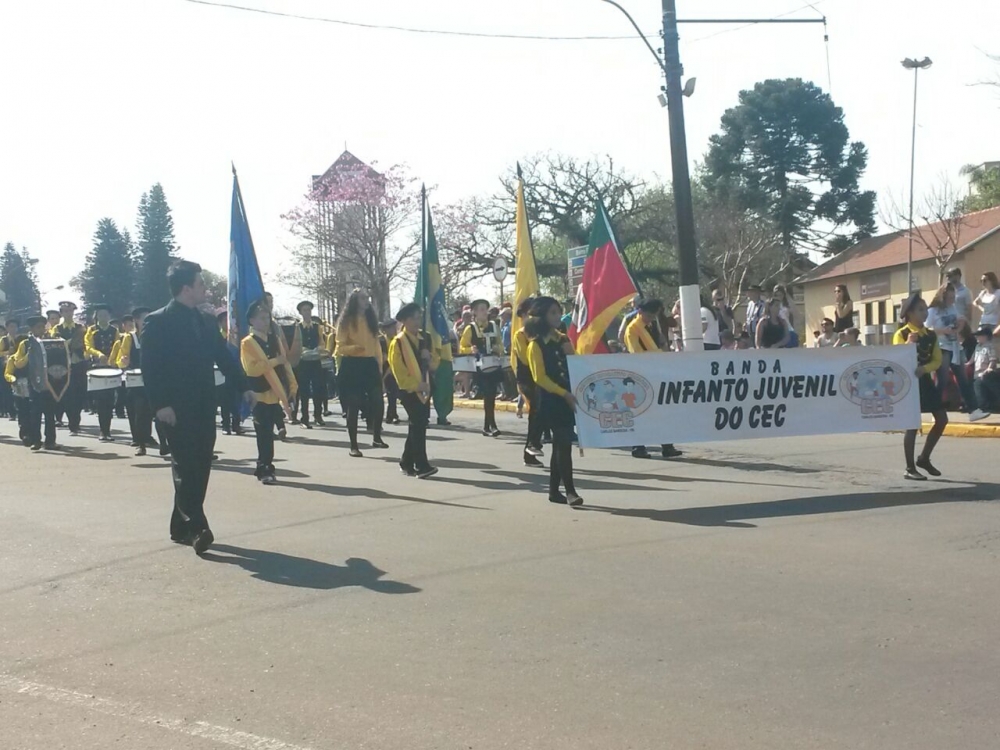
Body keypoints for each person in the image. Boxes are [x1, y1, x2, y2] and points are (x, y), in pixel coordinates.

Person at [141, 260, 252, 555]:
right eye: (200, 283)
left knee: (201, 463)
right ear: (186, 288)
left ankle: (180, 525)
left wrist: (245, 386)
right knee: (185, 464)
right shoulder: (158, 321)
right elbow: (150, 368)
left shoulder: (204, 320)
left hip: (204, 404)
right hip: (174, 408)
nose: (205, 287)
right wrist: (161, 405)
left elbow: (224, 356)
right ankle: (197, 527)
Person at [525, 297, 582, 507]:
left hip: (567, 396)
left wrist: (572, 354)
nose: (557, 317)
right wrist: (563, 393)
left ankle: (553, 491)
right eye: (552, 313)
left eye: (558, 312)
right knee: (564, 444)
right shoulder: (535, 345)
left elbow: (576, 367)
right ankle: (570, 491)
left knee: (561, 444)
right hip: (549, 400)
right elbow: (539, 378)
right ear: (541, 317)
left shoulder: (563, 339)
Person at [241, 300, 297, 485]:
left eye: (267, 318)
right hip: (259, 394)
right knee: (263, 433)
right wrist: (274, 361)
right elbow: (252, 369)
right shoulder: (248, 343)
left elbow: (285, 364)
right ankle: (265, 467)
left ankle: (264, 464)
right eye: (261, 318)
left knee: (269, 432)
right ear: (251, 320)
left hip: (275, 393)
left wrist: (292, 385)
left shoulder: (274, 340)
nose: (266, 322)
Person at [893, 293, 948, 480]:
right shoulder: (901, 334)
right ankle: (909, 467)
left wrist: (924, 369)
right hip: (908, 383)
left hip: (923, 380)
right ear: (909, 313)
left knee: (941, 419)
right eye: (920, 310)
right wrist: (909, 344)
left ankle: (924, 458)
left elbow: (937, 360)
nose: (925, 313)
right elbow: (897, 359)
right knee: (912, 425)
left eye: (925, 309)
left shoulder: (931, 335)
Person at [625, 300, 683, 460]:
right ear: (640, 311)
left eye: (653, 315)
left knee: (661, 412)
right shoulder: (633, 329)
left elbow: (662, 342)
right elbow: (636, 354)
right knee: (642, 412)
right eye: (649, 315)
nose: (651, 318)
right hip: (641, 375)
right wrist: (658, 352)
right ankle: (638, 446)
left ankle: (667, 445)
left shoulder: (652, 325)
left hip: (656, 372)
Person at [388, 302, 440, 479]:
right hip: (409, 390)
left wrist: (430, 357)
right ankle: (421, 465)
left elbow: (435, 363)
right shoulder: (398, 342)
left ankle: (406, 461)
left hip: (426, 387)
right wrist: (414, 385)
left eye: (419, 317)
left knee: (418, 424)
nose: (417, 321)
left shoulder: (425, 338)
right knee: (418, 424)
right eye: (413, 318)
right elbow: (398, 368)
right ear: (404, 321)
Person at [335, 289, 387, 457]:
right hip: (352, 365)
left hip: (369, 364)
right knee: (354, 405)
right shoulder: (346, 321)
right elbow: (339, 347)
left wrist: (379, 366)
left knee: (378, 400)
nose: (366, 300)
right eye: (363, 298)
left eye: (367, 298)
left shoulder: (371, 320)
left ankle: (377, 436)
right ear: (355, 301)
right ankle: (354, 445)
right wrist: (354, 349)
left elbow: (376, 346)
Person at [926, 283, 986, 420]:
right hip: (941, 347)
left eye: (953, 297)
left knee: (963, 378)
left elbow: (961, 318)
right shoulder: (933, 311)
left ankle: (973, 409)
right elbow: (927, 329)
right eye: (949, 297)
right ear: (943, 296)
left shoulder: (952, 308)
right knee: (942, 380)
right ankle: (935, 410)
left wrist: (960, 324)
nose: (952, 300)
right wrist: (943, 331)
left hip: (955, 347)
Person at [116, 307, 166, 457]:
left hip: (155, 379)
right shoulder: (129, 338)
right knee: (140, 413)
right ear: (136, 321)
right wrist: (123, 361)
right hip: (137, 381)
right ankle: (141, 444)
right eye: (144, 318)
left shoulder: (157, 336)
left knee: (160, 412)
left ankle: (164, 443)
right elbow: (120, 360)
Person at [460, 298, 505, 437]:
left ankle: (488, 426)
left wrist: (499, 349)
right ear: (474, 312)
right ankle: (491, 425)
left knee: (491, 394)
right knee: (488, 394)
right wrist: (470, 350)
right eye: (481, 309)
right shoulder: (470, 328)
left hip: (493, 365)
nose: (484, 312)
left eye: (485, 309)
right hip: (480, 366)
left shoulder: (493, 326)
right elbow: (462, 347)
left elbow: (500, 344)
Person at [16, 315, 60, 451]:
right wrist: (29, 355)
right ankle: (36, 441)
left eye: (43, 327)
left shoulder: (50, 341)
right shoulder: (25, 343)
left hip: (50, 383)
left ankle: (50, 441)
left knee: (50, 413)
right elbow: (18, 363)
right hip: (34, 382)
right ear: (32, 329)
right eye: (38, 327)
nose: (41, 330)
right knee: (35, 413)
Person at [511, 297, 544, 468]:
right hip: (526, 380)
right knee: (534, 410)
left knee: (540, 412)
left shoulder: (544, 334)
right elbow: (525, 359)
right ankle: (532, 446)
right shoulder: (520, 335)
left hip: (541, 379)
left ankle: (531, 448)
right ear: (523, 315)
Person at [83, 304, 120, 442]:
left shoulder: (114, 330)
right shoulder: (91, 330)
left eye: (106, 314)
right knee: (99, 399)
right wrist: (99, 355)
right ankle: (102, 430)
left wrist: (111, 359)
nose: (103, 317)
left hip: (110, 367)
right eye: (100, 314)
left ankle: (107, 430)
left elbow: (118, 345)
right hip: (97, 366)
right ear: (96, 316)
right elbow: (88, 346)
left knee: (110, 399)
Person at [52, 301, 87, 435]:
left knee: (80, 394)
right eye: (65, 311)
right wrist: (72, 342)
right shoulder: (57, 329)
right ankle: (73, 425)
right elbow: (57, 344)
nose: (68, 313)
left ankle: (76, 420)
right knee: (67, 394)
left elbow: (84, 344)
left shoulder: (81, 327)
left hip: (79, 363)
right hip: (64, 365)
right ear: (61, 313)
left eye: (70, 311)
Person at [294, 301, 327, 428]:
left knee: (318, 388)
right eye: (305, 310)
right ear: (300, 312)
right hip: (303, 362)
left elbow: (321, 341)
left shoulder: (317, 326)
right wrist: (302, 350)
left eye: (309, 310)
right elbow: (296, 343)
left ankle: (318, 415)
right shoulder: (297, 327)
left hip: (315, 360)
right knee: (304, 390)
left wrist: (319, 349)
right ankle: (305, 418)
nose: (307, 312)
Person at [4, 333, 30, 443]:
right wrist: (13, 380)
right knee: (23, 412)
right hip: (19, 389)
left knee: (33, 412)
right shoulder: (12, 359)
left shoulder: (34, 357)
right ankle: (24, 434)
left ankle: (33, 434)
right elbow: (7, 374)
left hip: (33, 388)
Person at [971, 325, 999, 413]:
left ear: (986, 336)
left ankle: (988, 405)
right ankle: (983, 406)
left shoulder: (990, 346)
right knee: (978, 389)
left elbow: (993, 359)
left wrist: (989, 368)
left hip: (985, 372)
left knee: (983, 385)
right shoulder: (977, 347)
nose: (977, 337)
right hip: (977, 373)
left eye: (979, 335)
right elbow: (973, 358)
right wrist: (967, 364)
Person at [380, 319, 401, 424]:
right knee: (388, 393)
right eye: (391, 328)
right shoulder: (381, 341)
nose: (394, 330)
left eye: (394, 327)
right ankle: (389, 415)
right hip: (383, 369)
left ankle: (392, 414)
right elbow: (382, 358)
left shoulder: (398, 340)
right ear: (385, 330)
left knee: (393, 393)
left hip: (395, 369)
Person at [0, 318, 19, 420]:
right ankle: (11, 411)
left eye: (15, 327)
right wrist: (7, 352)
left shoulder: (20, 339)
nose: (13, 329)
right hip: (5, 367)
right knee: (6, 390)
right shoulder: (3, 340)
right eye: (11, 327)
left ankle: (19, 410)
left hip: (17, 367)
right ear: (7, 328)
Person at [974, 271, 1000, 336]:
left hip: (993, 323)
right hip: (983, 322)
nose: (983, 282)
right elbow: (975, 302)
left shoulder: (998, 293)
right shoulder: (983, 293)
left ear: (991, 281)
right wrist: (981, 309)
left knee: (993, 344)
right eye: (981, 280)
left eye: (985, 280)